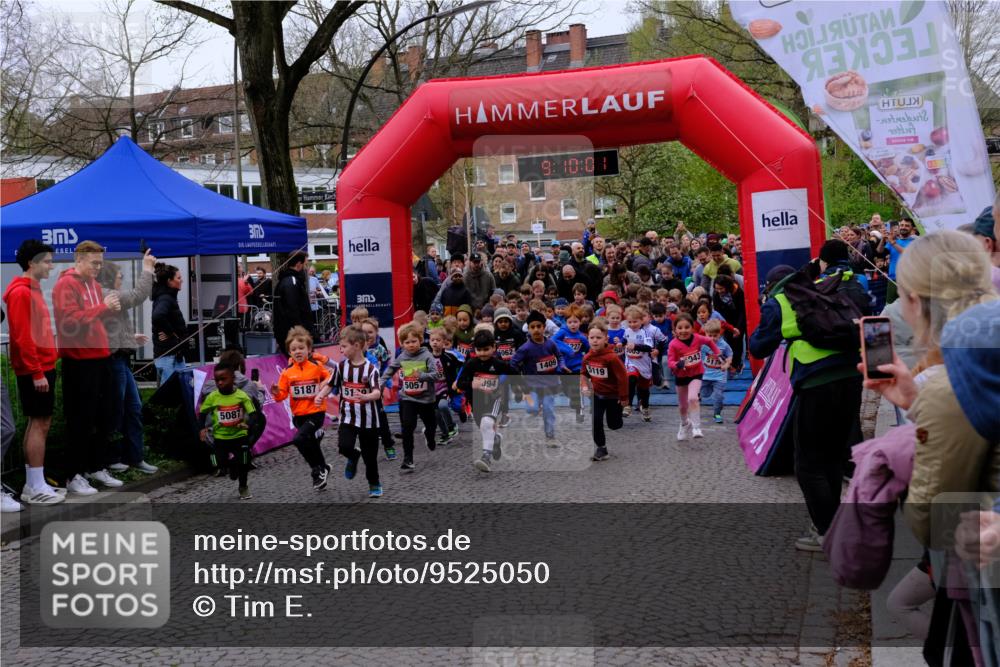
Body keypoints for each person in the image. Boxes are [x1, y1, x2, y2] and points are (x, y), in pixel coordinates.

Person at [748, 239, 870, 552]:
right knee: (831, 456)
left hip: (818, 382)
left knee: (808, 463)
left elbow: (758, 347)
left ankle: (830, 535)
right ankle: (830, 525)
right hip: (852, 376)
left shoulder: (782, 300)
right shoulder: (839, 287)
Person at [53, 240, 122, 494]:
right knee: (80, 419)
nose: (97, 268)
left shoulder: (93, 284)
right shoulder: (65, 284)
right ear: (79, 260)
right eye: (94, 263)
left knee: (105, 414)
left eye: (100, 264)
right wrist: (104, 308)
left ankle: (95, 466)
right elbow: (70, 321)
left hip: (98, 356)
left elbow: (94, 317)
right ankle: (73, 475)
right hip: (79, 360)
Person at [3, 240, 64, 504]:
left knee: (40, 422)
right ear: (32, 263)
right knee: (39, 423)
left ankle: (34, 482)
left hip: (42, 365)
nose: (51, 265)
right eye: (47, 261)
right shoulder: (21, 293)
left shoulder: (32, 290)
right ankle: (35, 485)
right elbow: (22, 337)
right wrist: (36, 371)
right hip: (35, 368)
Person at [98, 252, 158, 474]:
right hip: (114, 361)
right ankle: (113, 458)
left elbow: (113, 328)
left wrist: (131, 338)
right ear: (109, 277)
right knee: (117, 410)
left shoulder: (110, 294)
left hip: (121, 359)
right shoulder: (107, 294)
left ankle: (134, 456)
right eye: (119, 276)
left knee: (133, 408)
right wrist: (147, 269)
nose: (121, 280)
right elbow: (136, 296)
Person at [269, 326, 333, 490]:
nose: (297, 352)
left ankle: (316, 470)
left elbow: (332, 378)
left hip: (316, 412)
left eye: (301, 348)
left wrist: (324, 384)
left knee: (298, 439)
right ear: (289, 352)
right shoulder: (287, 373)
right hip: (299, 415)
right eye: (293, 349)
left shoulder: (316, 366)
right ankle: (323, 467)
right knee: (311, 443)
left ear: (309, 349)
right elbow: (282, 395)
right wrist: (276, 392)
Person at [330, 325, 384, 498]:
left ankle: (374, 483)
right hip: (347, 416)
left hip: (369, 419)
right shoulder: (341, 367)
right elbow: (332, 384)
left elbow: (377, 392)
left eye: (344, 346)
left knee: (370, 458)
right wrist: (320, 395)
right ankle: (353, 455)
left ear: (357, 345)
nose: (341, 349)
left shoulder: (370, 369)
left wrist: (366, 397)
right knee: (344, 446)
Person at [457, 329, 516, 473]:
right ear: (474, 349)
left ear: (493, 348)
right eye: (479, 350)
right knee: (484, 427)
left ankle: (486, 457)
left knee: (487, 423)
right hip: (476, 402)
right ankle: (495, 439)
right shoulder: (471, 364)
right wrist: (471, 384)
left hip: (494, 399)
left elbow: (514, 373)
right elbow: (460, 383)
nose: (482, 353)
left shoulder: (498, 363)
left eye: (486, 349)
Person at [382, 322, 438, 472]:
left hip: (426, 399)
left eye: (414, 341)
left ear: (420, 340)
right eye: (407, 342)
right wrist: (380, 382)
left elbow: (436, 375)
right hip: (408, 398)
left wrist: (421, 375)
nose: (411, 345)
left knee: (431, 424)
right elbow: (391, 369)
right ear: (402, 344)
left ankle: (429, 435)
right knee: (407, 427)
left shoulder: (427, 356)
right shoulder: (402, 356)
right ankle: (408, 459)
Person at [199, 363, 256, 500]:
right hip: (221, 438)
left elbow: (254, 414)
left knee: (244, 462)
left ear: (233, 379)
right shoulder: (213, 397)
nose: (220, 383)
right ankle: (231, 466)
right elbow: (202, 413)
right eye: (217, 380)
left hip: (239, 436)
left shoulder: (242, 396)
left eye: (223, 379)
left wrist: (247, 424)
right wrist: (201, 428)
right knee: (217, 463)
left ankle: (243, 487)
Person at [512, 310, 567, 442]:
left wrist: (561, 366)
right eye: (532, 327)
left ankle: (550, 434)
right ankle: (535, 407)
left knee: (548, 409)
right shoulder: (525, 348)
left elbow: (559, 356)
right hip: (532, 386)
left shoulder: (551, 344)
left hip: (550, 384)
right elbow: (513, 362)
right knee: (532, 409)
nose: (536, 330)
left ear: (544, 327)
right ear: (528, 329)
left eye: (539, 326)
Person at [580, 319, 628, 462]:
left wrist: (624, 397)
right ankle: (601, 448)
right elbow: (583, 373)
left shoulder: (611, 358)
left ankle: (618, 418)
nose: (595, 341)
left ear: (606, 338)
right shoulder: (587, 357)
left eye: (598, 338)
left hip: (613, 396)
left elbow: (623, 377)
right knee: (596, 421)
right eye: (592, 338)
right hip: (597, 395)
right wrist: (584, 386)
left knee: (614, 425)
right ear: (587, 338)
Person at [667, 313, 719, 440]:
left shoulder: (697, 338)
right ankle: (685, 424)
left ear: (692, 328)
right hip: (681, 376)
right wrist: (677, 364)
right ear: (675, 330)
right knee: (683, 405)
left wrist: (717, 352)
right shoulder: (673, 344)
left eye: (687, 327)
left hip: (696, 373)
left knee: (693, 398)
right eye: (680, 328)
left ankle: (696, 427)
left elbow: (709, 341)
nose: (683, 330)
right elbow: (670, 362)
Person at [622, 305, 666, 422]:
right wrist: (620, 343)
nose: (632, 324)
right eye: (629, 322)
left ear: (641, 321)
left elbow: (648, 347)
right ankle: (628, 405)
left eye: (635, 322)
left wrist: (635, 346)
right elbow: (624, 339)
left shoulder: (645, 332)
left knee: (644, 390)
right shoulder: (626, 331)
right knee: (630, 379)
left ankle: (645, 407)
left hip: (644, 365)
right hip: (631, 362)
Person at [151, 262, 188, 384]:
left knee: (180, 391)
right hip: (168, 357)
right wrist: (171, 332)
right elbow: (158, 316)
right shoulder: (165, 298)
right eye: (178, 278)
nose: (181, 280)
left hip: (174, 355)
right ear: (169, 281)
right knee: (167, 395)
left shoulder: (168, 297)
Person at [273, 253, 317, 355]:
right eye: (305, 264)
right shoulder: (291, 281)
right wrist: (301, 331)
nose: (306, 268)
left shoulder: (289, 280)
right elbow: (292, 309)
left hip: (291, 332)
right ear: (298, 264)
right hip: (294, 334)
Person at [700, 319, 733, 424]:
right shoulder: (703, 344)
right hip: (705, 375)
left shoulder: (724, 345)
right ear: (705, 334)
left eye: (715, 335)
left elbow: (730, 355)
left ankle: (717, 413)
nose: (712, 338)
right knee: (704, 394)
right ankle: (705, 393)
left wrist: (727, 364)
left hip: (719, 375)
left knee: (718, 396)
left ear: (720, 333)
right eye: (710, 335)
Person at [712, 274, 746, 374]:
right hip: (725, 320)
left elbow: (742, 311)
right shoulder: (716, 294)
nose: (719, 291)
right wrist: (725, 326)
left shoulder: (738, 292)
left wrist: (739, 328)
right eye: (717, 288)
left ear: (727, 286)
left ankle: (736, 364)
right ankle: (730, 363)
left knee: (738, 343)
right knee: (728, 343)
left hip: (738, 319)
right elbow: (718, 312)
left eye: (721, 288)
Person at [880, 217, 916, 303]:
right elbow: (879, 251)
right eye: (902, 225)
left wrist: (892, 242)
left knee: (908, 306)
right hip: (892, 278)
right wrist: (883, 239)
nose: (903, 227)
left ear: (912, 228)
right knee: (890, 306)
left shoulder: (916, 241)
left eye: (907, 226)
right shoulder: (895, 240)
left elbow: (906, 253)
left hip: (907, 280)